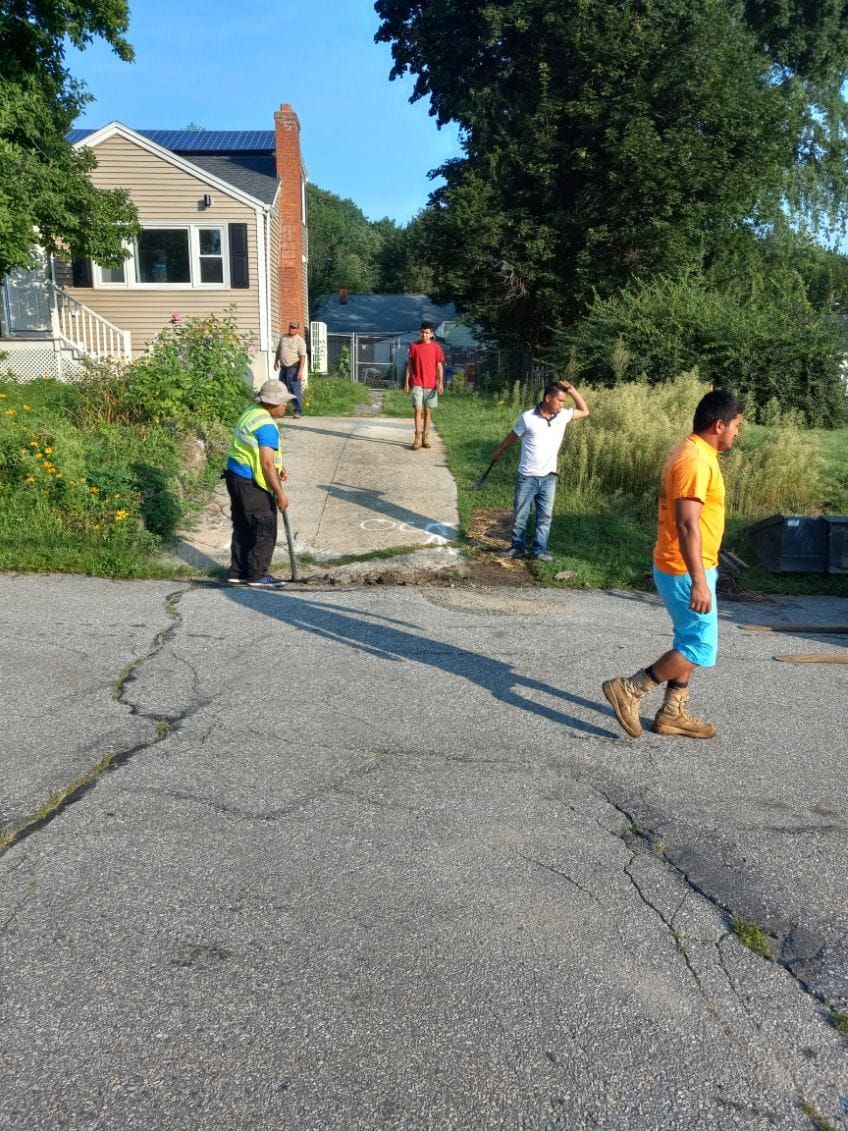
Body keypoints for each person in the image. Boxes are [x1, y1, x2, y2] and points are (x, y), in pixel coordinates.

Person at [602, 389, 743, 739]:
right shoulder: (694, 460)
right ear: (719, 424)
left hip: (690, 564)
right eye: (737, 425)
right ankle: (630, 689)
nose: (738, 432)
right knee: (699, 647)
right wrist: (698, 579)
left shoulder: (697, 451)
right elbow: (686, 523)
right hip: (684, 569)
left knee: (688, 639)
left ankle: (672, 713)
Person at [491, 380, 590, 561]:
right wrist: (499, 451)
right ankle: (517, 547)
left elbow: (585, 411)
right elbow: (512, 437)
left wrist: (572, 390)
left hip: (549, 477)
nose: (562, 405)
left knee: (545, 517)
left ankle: (539, 551)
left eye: (564, 402)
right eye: (560, 401)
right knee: (521, 515)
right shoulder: (527, 418)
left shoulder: (563, 416)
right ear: (548, 398)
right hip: (527, 477)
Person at [224, 379, 293, 589]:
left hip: (234, 476)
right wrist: (280, 494)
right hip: (251, 483)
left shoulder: (252, 411)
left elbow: (258, 453)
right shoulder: (267, 426)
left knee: (243, 525)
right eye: (283, 402)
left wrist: (278, 466)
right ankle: (256, 575)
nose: (286, 405)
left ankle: (238, 572)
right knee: (264, 527)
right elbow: (265, 464)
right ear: (271, 403)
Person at [404, 322, 445, 450]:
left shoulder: (436, 347)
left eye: (427, 332)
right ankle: (417, 437)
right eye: (422, 332)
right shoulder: (414, 346)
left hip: (431, 383)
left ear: (432, 334)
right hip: (417, 382)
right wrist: (406, 382)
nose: (424, 334)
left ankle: (425, 437)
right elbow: (409, 366)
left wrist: (440, 382)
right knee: (417, 409)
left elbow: (439, 366)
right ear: (419, 332)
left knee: (428, 411)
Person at [274, 321, 308, 418]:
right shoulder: (283, 338)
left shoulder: (300, 341)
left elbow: (302, 356)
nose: (291, 329)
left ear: (297, 329)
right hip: (283, 368)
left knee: (295, 391)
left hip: (294, 369)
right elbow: (278, 350)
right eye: (290, 327)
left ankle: (297, 411)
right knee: (281, 390)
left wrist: (300, 371)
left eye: (293, 328)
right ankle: (280, 412)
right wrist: (275, 361)